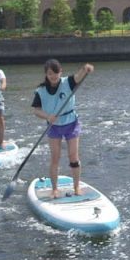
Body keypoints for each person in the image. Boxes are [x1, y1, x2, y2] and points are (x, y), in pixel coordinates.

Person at [32, 59, 95, 198]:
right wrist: (47, 116)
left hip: (71, 123)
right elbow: (36, 110)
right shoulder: (40, 91)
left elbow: (78, 76)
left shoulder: (68, 82)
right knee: (55, 158)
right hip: (53, 127)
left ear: (61, 72)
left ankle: (77, 186)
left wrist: (85, 68)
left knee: (73, 156)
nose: (53, 76)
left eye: (56, 73)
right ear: (46, 74)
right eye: (50, 74)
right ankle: (54, 189)